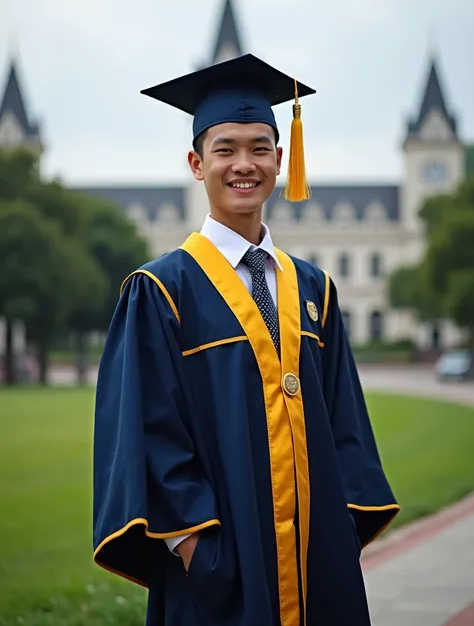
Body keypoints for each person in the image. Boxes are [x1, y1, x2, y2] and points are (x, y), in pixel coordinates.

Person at [92, 54, 400, 626]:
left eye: (260, 148)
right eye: (225, 149)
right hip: (218, 568)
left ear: (281, 160)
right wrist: (194, 548)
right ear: (195, 162)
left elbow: (347, 426)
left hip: (318, 560)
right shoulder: (161, 290)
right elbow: (148, 431)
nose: (244, 165)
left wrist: (339, 528)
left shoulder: (315, 289)